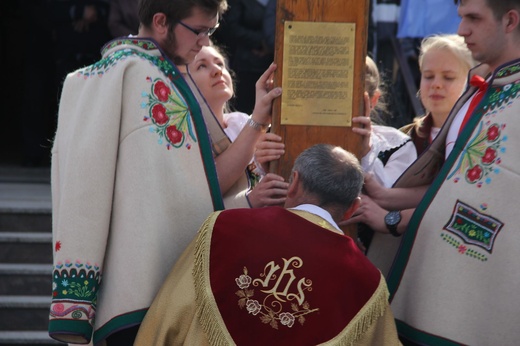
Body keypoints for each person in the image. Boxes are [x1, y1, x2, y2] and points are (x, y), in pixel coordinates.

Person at [47, 0, 233, 344]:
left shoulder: (170, 74)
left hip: (174, 285)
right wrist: (77, 298)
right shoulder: (119, 72)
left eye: (211, 32)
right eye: (199, 30)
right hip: (132, 289)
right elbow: (86, 183)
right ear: (161, 21)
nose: (204, 42)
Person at [346, 0, 520, 344]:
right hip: (440, 283)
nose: (461, 30)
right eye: (461, 18)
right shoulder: (481, 91)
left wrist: (394, 219)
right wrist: (385, 195)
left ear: (510, 20)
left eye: (473, 18)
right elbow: (454, 185)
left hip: (486, 292)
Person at [134, 144, 401, 346]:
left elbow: (169, 314)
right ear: (352, 208)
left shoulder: (223, 227)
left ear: (294, 183)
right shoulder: (366, 284)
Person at [182, 43, 288, 208]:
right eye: (201, 66)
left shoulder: (240, 121)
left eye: (220, 63)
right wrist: (247, 202)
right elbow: (192, 204)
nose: (217, 71)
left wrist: (268, 165)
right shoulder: (185, 136)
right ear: (183, 85)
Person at [400, 34, 476, 156]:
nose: (436, 84)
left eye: (448, 77)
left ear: (471, 81)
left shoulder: (481, 136)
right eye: (429, 76)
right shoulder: (402, 139)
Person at [214, 0, 273, 114]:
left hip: (272, 64)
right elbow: (230, 26)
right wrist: (261, 42)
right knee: (245, 111)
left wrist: (272, 45)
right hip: (246, 66)